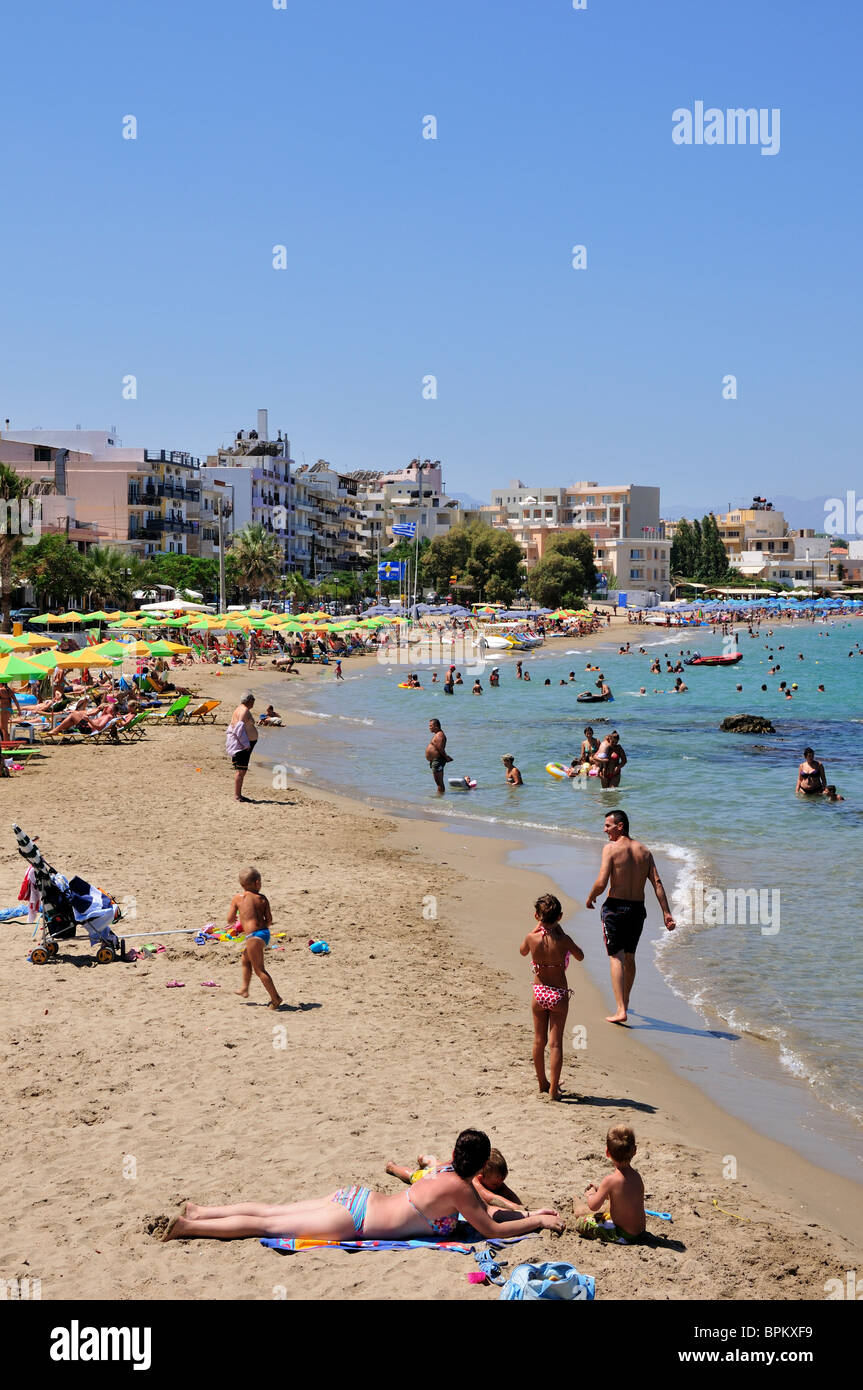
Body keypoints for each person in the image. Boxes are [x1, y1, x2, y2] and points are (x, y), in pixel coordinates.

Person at [159, 1129, 565, 1241]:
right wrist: (538, 1223)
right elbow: (490, 1225)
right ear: (477, 1167)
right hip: (353, 1218)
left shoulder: (444, 1170)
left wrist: (530, 1211)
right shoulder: (460, 1189)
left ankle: (200, 1211)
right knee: (265, 1225)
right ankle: (189, 1227)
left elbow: (490, 1207)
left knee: (270, 1211)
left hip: (355, 1197)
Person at [586, 810, 675, 1024]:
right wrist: (666, 912)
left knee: (615, 956)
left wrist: (591, 897)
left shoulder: (611, 849)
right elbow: (658, 883)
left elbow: (601, 882)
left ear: (620, 826)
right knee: (630, 957)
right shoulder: (644, 851)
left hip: (616, 908)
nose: (604, 829)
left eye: (608, 825)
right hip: (637, 910)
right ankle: (624, 1001)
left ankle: (620, 1010)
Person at [519, 893, 584, 1101]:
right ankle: (554, 1089)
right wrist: (561, 932)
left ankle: (542, 1082)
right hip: (558, 994)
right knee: (556, 1044)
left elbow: (522, 952)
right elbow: (580, 955)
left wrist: (534, 929)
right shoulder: (563, 939)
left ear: (536, 915)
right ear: (560, 917)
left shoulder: (532, 938)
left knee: (539, 1040)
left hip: (539, 993)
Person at [385, 1147, 528, 1216]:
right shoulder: (475, 1181)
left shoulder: (493, 1177)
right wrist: (516, 1208)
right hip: (436, 1177)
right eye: (496, 1184)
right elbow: (490, 1197)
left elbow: (506, 1191)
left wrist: (519, 1204)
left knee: (444, 1165)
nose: (500, 1185)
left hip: (449, 1171)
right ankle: (393, 1167)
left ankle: (426, 1159)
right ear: (479, 1177)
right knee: (414, 1176)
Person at [574, 1125, 645, 1244]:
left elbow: (593, 1206)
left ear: (607, 1152)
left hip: (623, 1234)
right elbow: (623, 1198)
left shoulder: (610, 1180)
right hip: (640, 1233)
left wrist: (591, 1195)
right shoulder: (637, 1177)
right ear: (634, 1151)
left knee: (581, 1224)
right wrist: (601, 1190)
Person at [228, 866, 282, 1010]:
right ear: (257, 883)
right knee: (245, 958)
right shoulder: (262, 898)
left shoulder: (237, 898)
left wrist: (239, 924)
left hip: (253, 937)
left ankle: (275, 998)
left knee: (259, 970)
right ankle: (245, 988)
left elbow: (230, 919)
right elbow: (269, 920)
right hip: (264, 933)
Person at [228, 693, 258, 802]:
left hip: (243, 744)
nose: (254, 702)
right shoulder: (243, 710)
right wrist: (246, 744)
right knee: (241, 770)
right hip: (243, 745)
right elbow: (238, 729)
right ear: (249, 700)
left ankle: (239, 794)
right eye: (253, 700)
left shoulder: (240, 708)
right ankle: (237, 796)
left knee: (241, 770)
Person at [425, 718, 450, 795]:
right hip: (435, 760)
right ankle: (439, 797)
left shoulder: (440, 735)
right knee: (438, 782)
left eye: (430, 726)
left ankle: (439, 799)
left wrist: (446, 757)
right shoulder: (437, 734)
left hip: (438, 760)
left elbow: (440, 748)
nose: (429, 727)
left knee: (439, 782)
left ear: (436, 726)